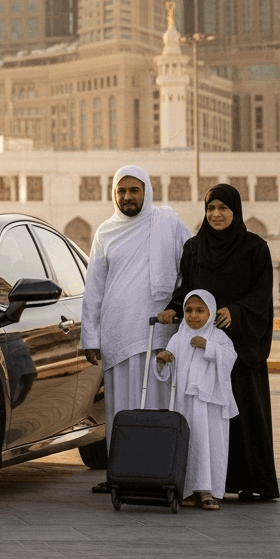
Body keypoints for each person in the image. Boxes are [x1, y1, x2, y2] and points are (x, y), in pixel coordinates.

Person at [159, 184, 279, 501]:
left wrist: (236, 312)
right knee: (205, 417)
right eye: (211, 208)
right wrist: (172, 310)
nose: (216, 214)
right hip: (201, 347)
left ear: (235, 211)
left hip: (238, 346)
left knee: (242, 412)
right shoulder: (194, 248)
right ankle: (205, 482)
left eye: (223, 208)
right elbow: (185, 291)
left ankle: (250, 481)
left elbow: (261, 295)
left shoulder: (255, 248)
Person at [82, 166, 191, 494]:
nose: (128, 197)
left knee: (158, 404)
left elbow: (193, 263)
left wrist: (180, 307)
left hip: (160, 334)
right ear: (114, 194)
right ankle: (122, 473)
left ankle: (159, 474)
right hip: (118, 333)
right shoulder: (105, 232)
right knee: (120, 407)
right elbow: (94, 289)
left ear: (147, 191)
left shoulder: (168, 224)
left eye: (134, 190)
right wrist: (90, 336)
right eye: (121, 191)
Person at [154, 290, 238, 510]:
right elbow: (167, 368)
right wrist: (162, 359)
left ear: (210, 312)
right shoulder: (178, 337)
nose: (193, 315)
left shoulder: (218, 336)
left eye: (200, 310)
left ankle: (209, 491)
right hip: (185, 403)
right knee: (189, 443)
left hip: (210, 404)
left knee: (209, 444)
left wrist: (208, 346)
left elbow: (230, 357)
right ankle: (189, 490)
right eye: (189, 310)